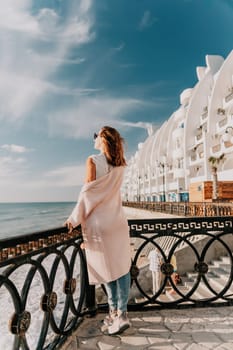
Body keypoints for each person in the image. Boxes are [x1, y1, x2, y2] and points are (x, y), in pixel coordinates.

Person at [65, 126, 131, 335]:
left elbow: (87, 195)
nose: (94, 138)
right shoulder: (120, 164)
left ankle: (114, 312)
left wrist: (73, 219)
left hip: (100, 226)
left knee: (107, 270)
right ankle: (122, 314)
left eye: (97, 135)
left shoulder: (93, 160)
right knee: (122, 267)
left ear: (103, 139)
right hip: (118, 223)